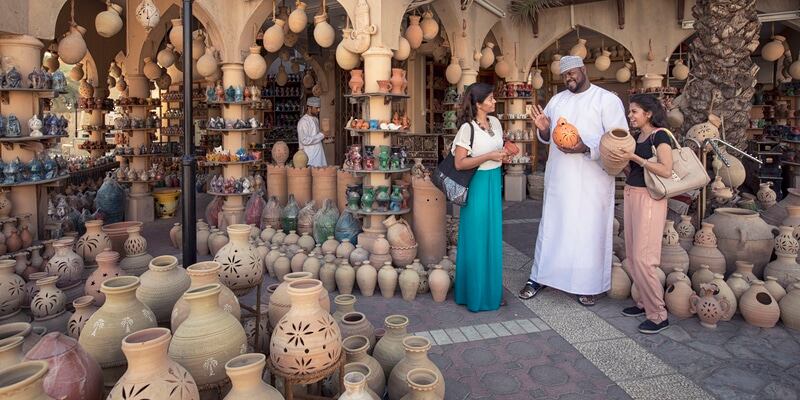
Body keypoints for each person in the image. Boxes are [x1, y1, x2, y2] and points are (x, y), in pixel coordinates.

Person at [518, 55, 628, 306]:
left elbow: (619, 141)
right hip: (560, 178)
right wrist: (543, 128)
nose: (568, 78)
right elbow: (547, 135)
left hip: (593, 181)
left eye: (572, 73)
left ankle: (589, 285)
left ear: (583, 70)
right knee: (553, 228)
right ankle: (540, 277)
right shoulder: (557, 100)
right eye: (564, 75)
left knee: (589, 232)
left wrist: (586, 148)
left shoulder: (606, 100)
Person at [609, 94, 674, 334]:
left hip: (650, 199)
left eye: (634, 111)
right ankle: (644, 303)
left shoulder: (661, 135)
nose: (630, 116)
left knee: (644, 258)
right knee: (634, 255)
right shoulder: (637, 137)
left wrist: (635, 157)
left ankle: (658, 315)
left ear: (648, 113)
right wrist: (622, 161)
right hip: (632, 194)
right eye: (630, 111)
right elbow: (634, 170)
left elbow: (666, 170)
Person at [452, 83, 508, 312]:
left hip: (494, 181)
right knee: (476, 237)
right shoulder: (467, 128)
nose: (494, 102)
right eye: (491, 98)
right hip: (477, 184)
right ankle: (474, 294)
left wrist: (503, 155)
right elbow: (459, 163)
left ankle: (491, 292)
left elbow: (497, 150)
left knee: (492, 236)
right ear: (477, 103)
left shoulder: (495, 122)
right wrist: (489, 156)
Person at [297, 96, 327, 166]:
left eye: (319, 108)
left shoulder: (315, 119)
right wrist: (321, 135)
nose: (318, 110)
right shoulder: (303, 122)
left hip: (319, 154)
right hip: (309, 156)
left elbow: (316, 136)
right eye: (316, 108)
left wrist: (324, 137)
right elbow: (304, 140)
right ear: (309, 108)